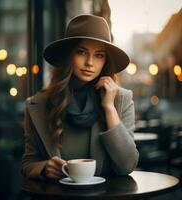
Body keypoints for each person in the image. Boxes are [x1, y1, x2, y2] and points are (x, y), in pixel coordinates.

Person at [22, 14, 139, 180]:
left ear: (105, 61)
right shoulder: (38, 104)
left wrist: (109, 107)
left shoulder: (121, 99)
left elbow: (127, 165)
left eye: (99, 55)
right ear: (69, 55)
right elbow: (28, 163)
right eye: (81, 52)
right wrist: (44, 168)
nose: (90, 62)